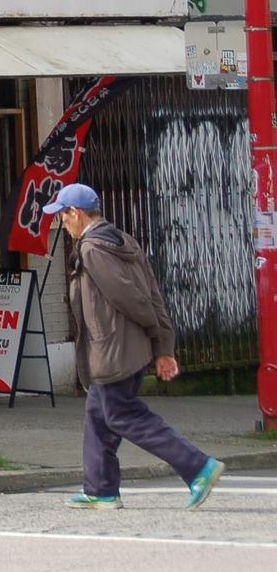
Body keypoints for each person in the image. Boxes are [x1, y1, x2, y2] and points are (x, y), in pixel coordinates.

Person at [49, 182, 225, 510]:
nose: (62, 223)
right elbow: (153, 292)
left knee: (123, 415)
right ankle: (100, 489)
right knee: (99, 416)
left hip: (113, 352)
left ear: (75, 213)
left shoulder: (93, 249)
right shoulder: (122, 240)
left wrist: (160, 340)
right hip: (124, 349)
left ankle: (198, 466)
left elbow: (132, 298)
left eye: (62, 216)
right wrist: (162, 346)